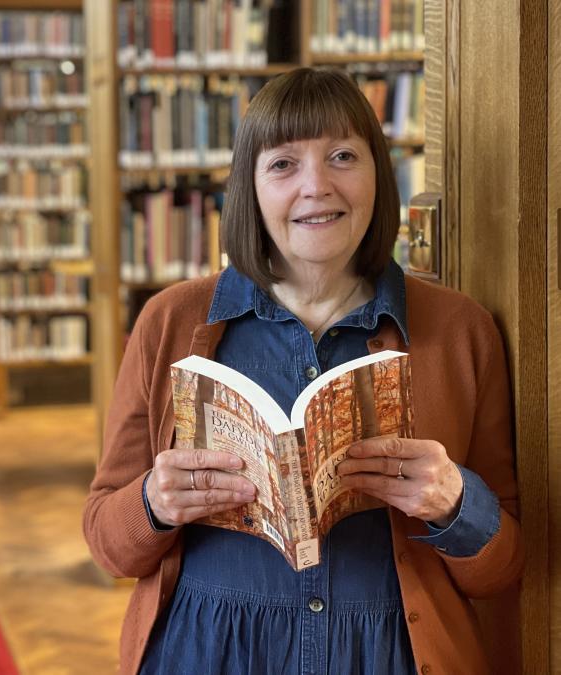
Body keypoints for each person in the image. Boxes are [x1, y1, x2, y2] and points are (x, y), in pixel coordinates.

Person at [83, 68, 522, 675]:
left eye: (343, 155)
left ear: (380, 174)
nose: (316, 186)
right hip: (209, 653)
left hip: (389, 655)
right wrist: (153, 502)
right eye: (283, 164)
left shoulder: (461, 330)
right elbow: (108, 541)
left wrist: (454, 503)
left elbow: (505, 567)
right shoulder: (170, 322)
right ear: (251, 189)